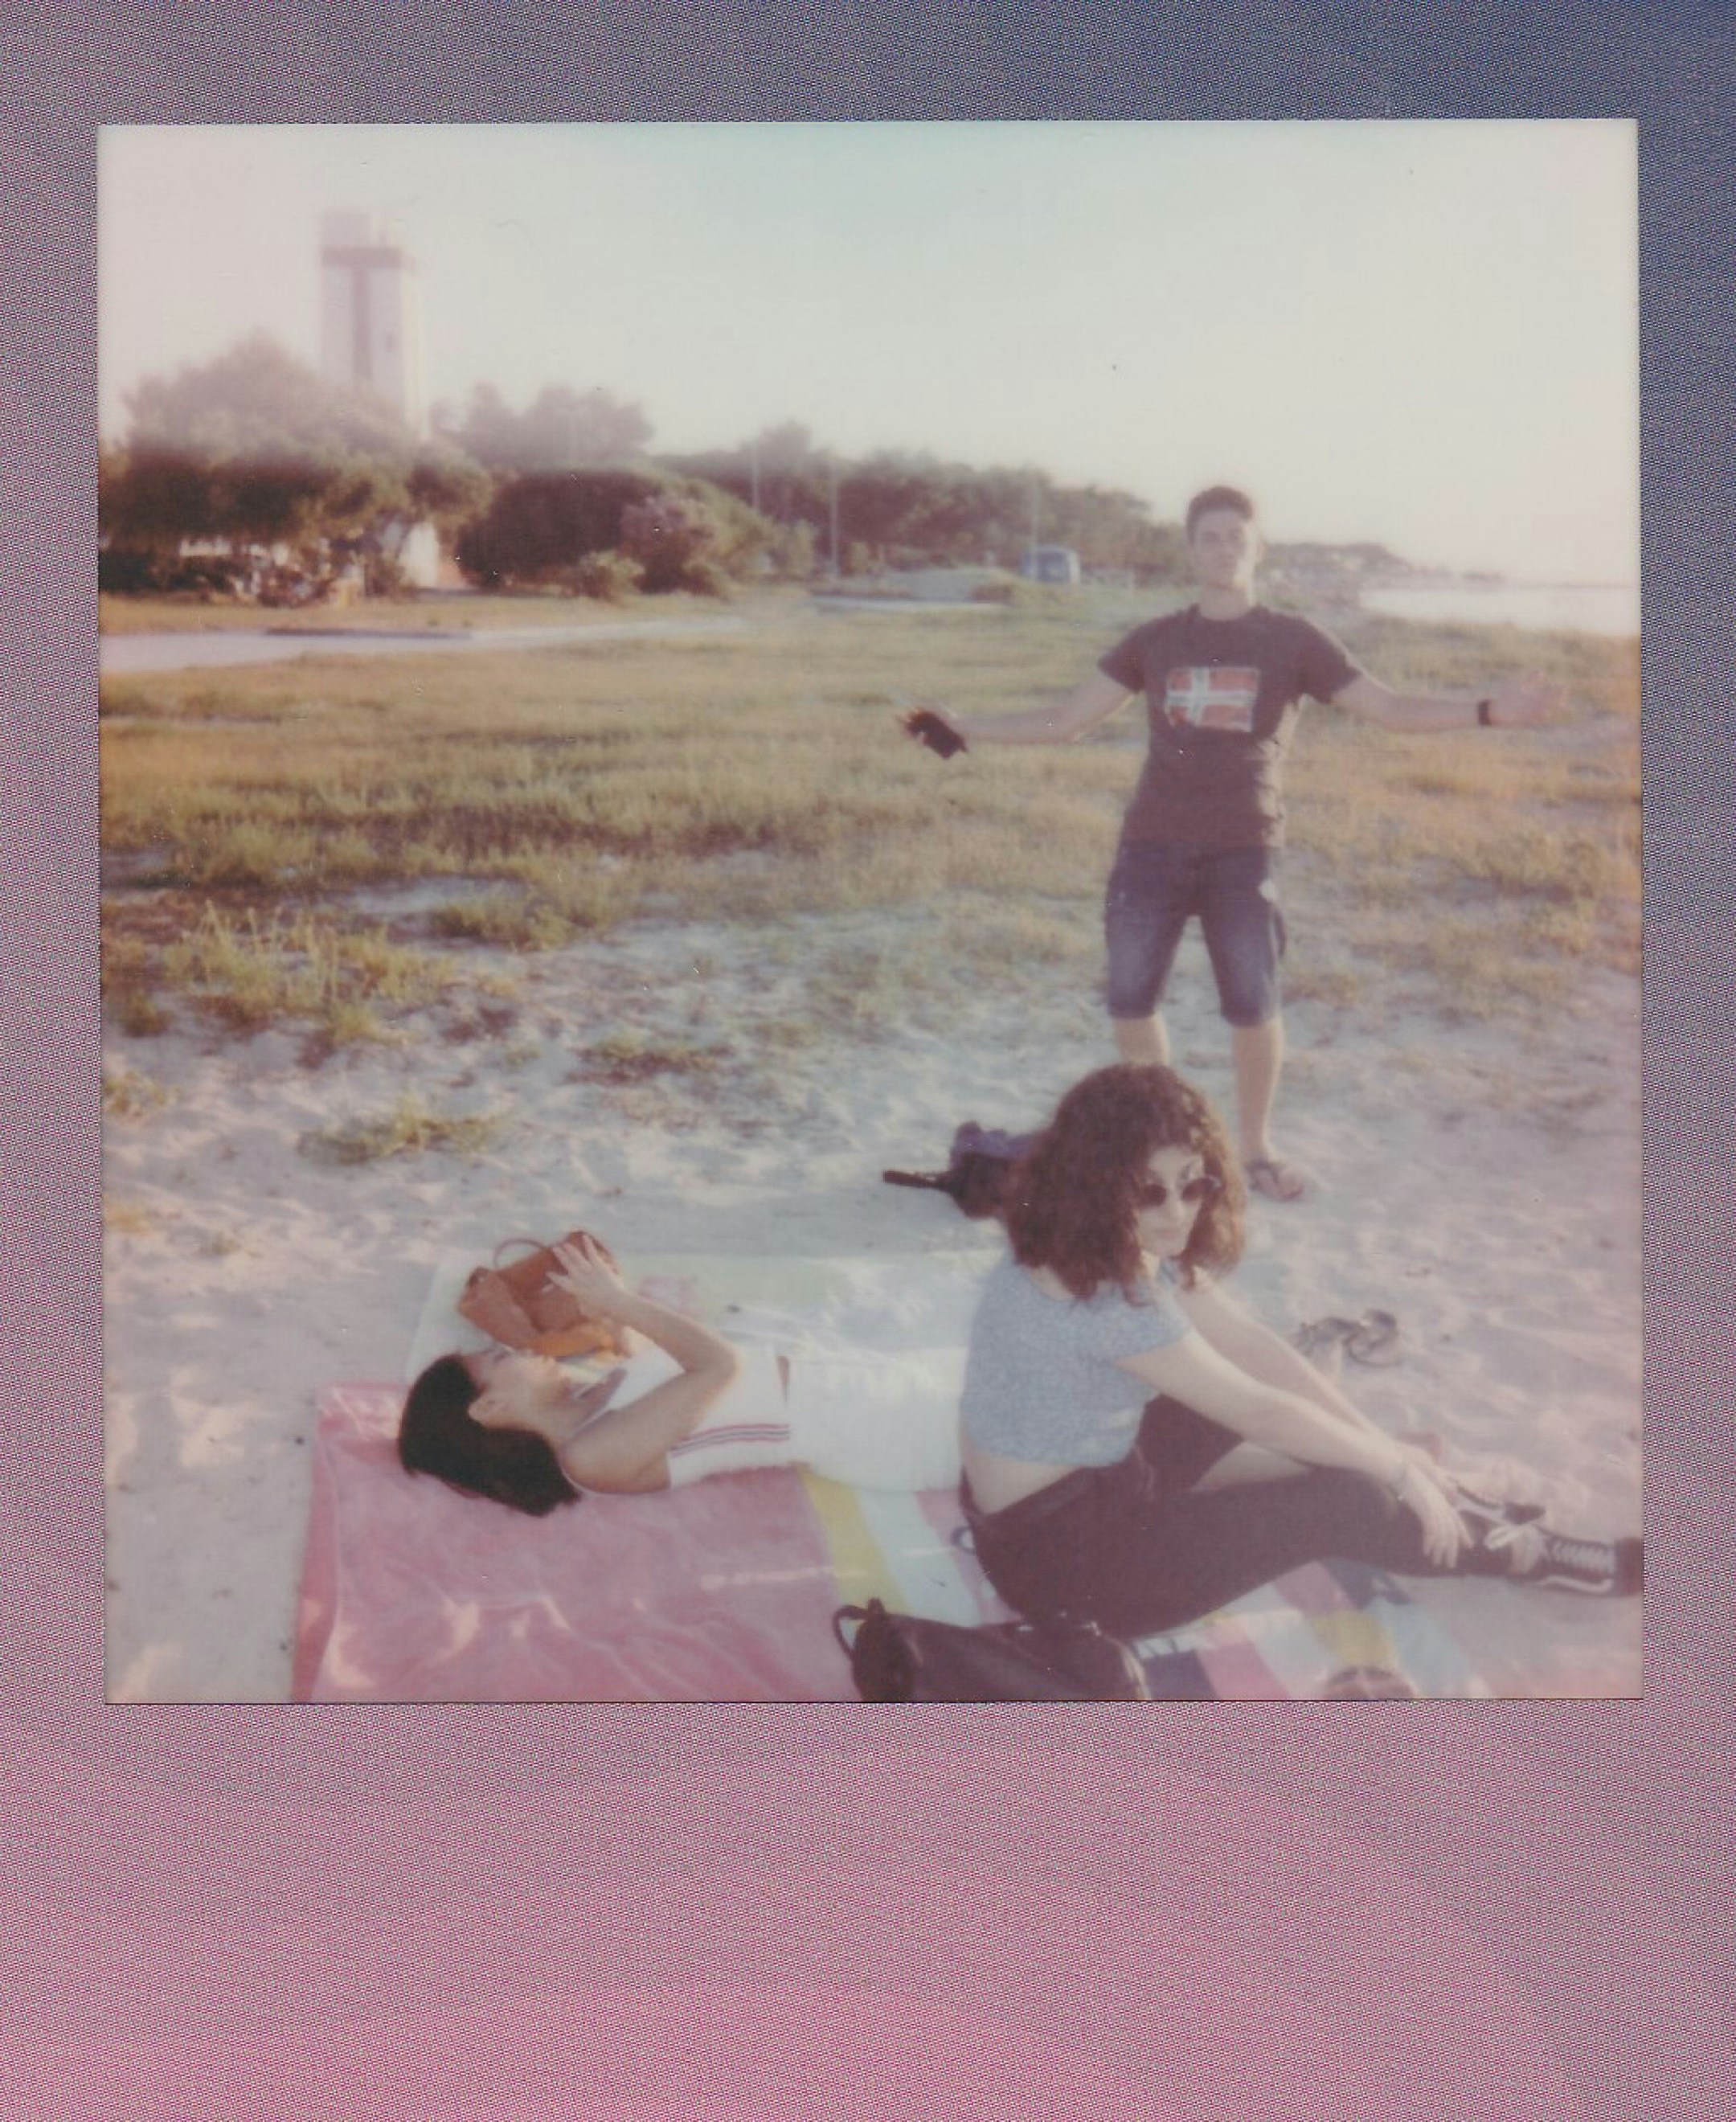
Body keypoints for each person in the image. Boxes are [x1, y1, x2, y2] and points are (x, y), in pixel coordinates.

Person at [902, 485, 1564, 1200]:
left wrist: (1494, 709)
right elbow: (1068, 719)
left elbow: (1393, 709)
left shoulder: (1293, 640)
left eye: (1235, 537)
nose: (1223, 549)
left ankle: (1254, 1149)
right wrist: (963, 725)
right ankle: (1171, 1148)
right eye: (1209, 538)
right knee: (1131, 1000)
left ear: (1258, 550)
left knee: (1253, 1002)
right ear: (1190, 552)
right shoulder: (1154, 641)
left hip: (1245, 851)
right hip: (1150, 848)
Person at [957, 1063, 1641, 1638]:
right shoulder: (1109, 1299)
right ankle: (1521, 1556)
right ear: (1096, 1185)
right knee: (1350, 1500)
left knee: (1291, 1420)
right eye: (1148, 1190)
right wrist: (1395, 1473)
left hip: (1083, 1495)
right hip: (1068, 1574)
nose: (1176, 1212)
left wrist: (1379, 1444)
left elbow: (1254, 1348)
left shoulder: (1087, 1240)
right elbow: (1262, 1411)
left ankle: (1423, 1483)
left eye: (1193, 1184)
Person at [398, 1235, 965, 1513]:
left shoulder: (592, 1395)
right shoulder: (588, 1457)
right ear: (489, 1407)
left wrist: (614, 1324)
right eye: (501, 1359)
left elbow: (660, 1366)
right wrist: (621, 1305)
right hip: (874, 1424)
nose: (516, 1351)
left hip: (857, 1387)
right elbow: (719, 1366)